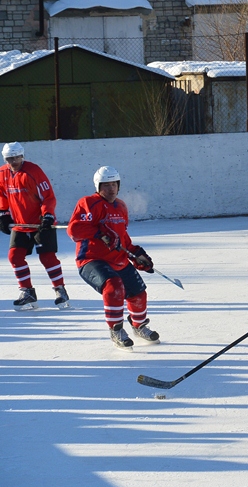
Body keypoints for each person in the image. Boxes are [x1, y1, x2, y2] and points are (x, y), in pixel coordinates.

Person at [66, 166, 160, 351]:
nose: (111, 189)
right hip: (91, 259)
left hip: (119, 259)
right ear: (98, 186)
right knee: (113, 286)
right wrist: (99, 232)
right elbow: (74, 230)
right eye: (106, 185)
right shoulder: (88, 203)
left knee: (138, 293)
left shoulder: (121, 206)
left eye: (114, 185)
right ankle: (116, 331)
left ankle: (139, 326)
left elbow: (122, 237)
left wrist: (136, 253)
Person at [0, 141, 70, 310]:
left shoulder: (33, 171)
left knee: (47, 257)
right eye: (10, 159)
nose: (14, 162)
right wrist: (3, 214)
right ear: (4, 159)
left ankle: (60, 290)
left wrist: (47, 215)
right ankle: (27, 292)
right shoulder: (2, 173)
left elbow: (48, 196)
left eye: (17, 157)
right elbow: (2, 195)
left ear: (22, 156)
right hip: (20, 224)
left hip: (40, 224)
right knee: (14, 256)